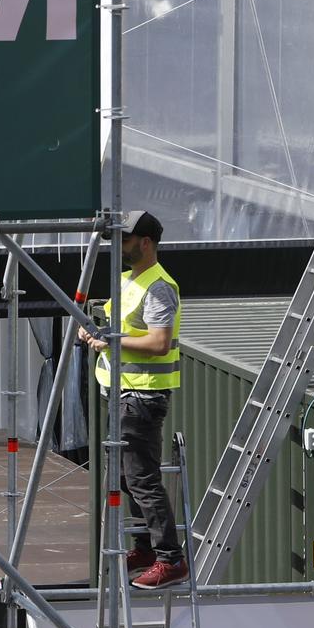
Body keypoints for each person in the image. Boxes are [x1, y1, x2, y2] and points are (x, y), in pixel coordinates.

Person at [79, 209, 185, 590]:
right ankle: (144, 547)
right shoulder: (126, 281)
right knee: (126, 477)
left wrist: (111, 342)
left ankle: (170, 559)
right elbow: (114, 329)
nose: (119, 247)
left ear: (146, 242)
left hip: (141, 397)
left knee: (143, 480)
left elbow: (158, 342)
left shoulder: (159, 286)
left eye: (125, 240)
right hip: (121, 394)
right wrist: (92, 332)